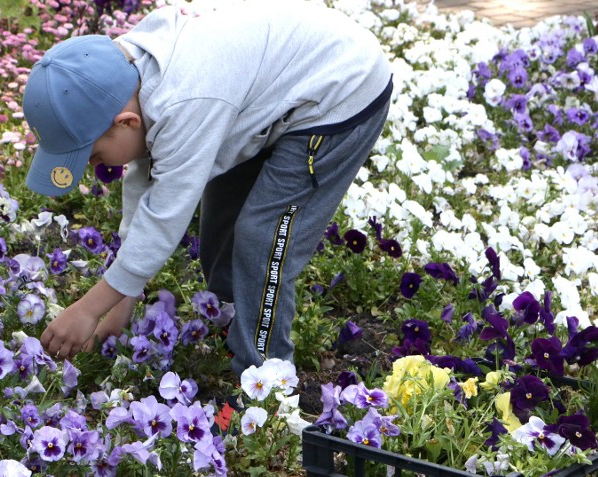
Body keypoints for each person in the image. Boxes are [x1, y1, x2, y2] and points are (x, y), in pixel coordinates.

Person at [27, 0, 392, 377]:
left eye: (94, 154)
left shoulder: (185, 99)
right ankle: (234, 318)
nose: (94, 167)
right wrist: (120, 301)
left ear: (127, 121)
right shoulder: (124, 73)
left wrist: (88, 308)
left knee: (262, 237)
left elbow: (163, 217)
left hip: (340, 92)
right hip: (265, 91)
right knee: (221, 214)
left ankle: (265, 378)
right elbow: (142, 185)